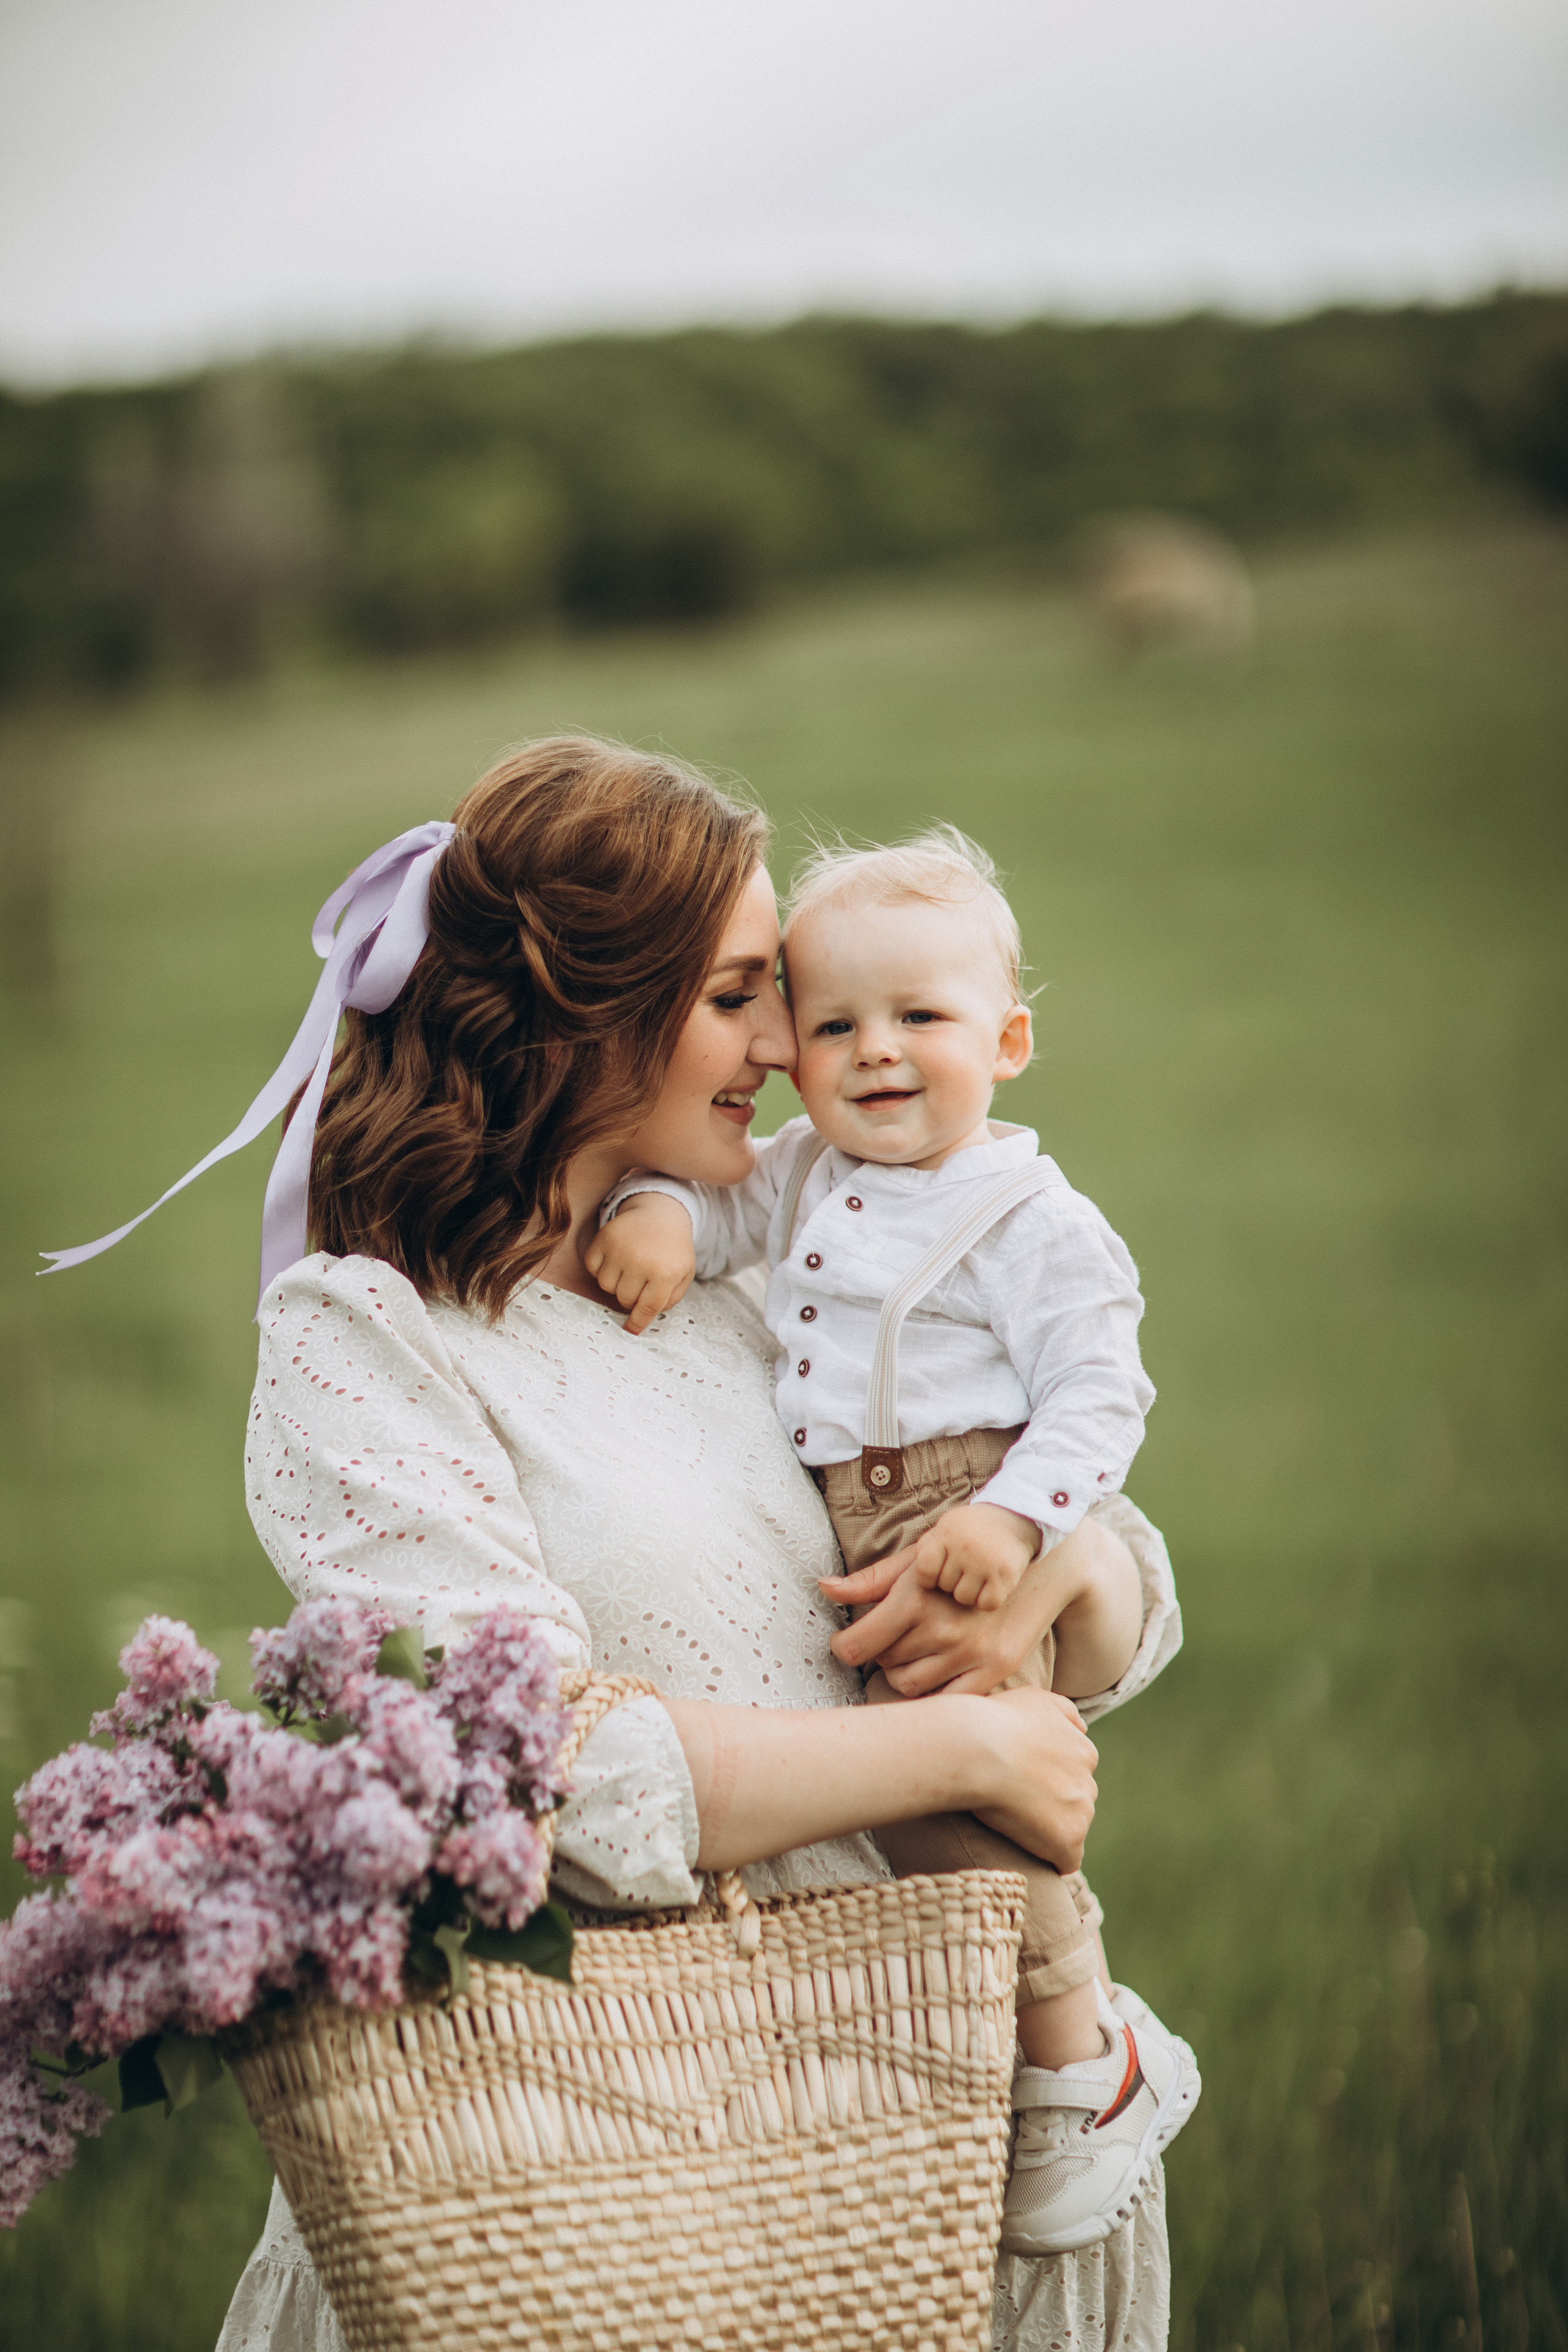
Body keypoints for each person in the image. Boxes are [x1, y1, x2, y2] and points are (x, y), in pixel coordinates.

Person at [43, 733, 1178, 2348]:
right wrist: (960, 1753)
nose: (788, 1045)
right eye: (738, 996)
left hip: (947, 2128)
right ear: (582, 1015)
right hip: (604, 2172)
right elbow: (532, 1768)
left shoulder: (774, 1249)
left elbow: (1104, 1575)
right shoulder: (370, 1336)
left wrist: (1059, 1577)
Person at [584, 823, 1199, 2255]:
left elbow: (1101, 1392)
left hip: (970, 1510)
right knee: (933, 1799)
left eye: (919, 1017)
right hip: (866, 1521)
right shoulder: (804, 1169)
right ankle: (1029, 2048)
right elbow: (716, 1211)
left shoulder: (1032, 1219)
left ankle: (1083, 2048)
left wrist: (1015, 1520)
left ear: (1008, 1040)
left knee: (944, 1801)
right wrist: (661, 1217)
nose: (874, 1052)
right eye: (834, 1023)